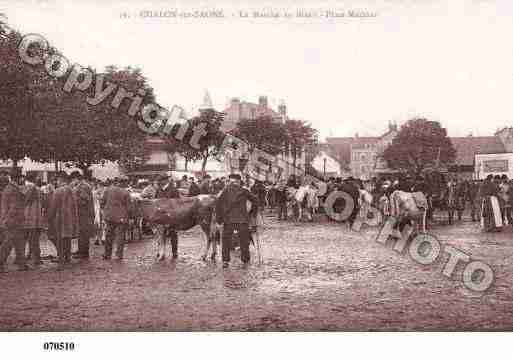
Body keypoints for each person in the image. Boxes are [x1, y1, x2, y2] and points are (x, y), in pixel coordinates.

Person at [216, 173, 259, 268]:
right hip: (242, 220)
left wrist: (219, 219)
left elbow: (218, 204)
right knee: (244, 241)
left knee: (226, 241)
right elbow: (256, 200)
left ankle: (225, 261)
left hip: (228, 220)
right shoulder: (244, 191)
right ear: (239, 181)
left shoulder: (225, 191)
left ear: (230, 181)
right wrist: (252, 213)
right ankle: (245, 260)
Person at [46, 172, 79, 267]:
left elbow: (53, 207)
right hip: (70, 217)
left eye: (57, 180)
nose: (56, 182)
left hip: (60, 217)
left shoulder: (58, 191)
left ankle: (61, 257)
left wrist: (49, 218)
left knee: (59, 237)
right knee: (67, 238)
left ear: (61, 179)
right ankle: (67, 256)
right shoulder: (72, 190)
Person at [0, 170, 28, 272]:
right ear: (17, 178)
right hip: (13, 220)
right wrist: (7, 219)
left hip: (11, 219)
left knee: (18, 241)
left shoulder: (10, 188)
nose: (22, 179)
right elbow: (14, 207)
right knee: (9, 242)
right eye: (21, 177)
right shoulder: (13, 190)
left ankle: (22, 264)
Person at [101, 178, 131, 260]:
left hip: (109, 216)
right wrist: (130, 216)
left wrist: (106, 211)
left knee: (108, 235)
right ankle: (118, 254)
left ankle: (107, 254)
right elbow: (129, 207)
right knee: (120, 236)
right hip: (121, 217)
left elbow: (102, 202)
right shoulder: (126, 192)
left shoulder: (107, 190)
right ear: (124, 183)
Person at [70, 172, 95, 259]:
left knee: (83, 232)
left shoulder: (83, 186)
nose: (73, 181)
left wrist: (74, 199)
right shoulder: (81, 186)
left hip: (84, 213)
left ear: (76, 178)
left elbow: (85, 200)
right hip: (82, 213)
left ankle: (83, 252)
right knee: (81, 232)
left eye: (73, 179)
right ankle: (81, 250)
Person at [24, 172, 45, 265]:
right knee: (34, 238)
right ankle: (35, 257)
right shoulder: (38, 189)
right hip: (36, 217)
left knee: (29, 238)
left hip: (27, 216)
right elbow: (43, 202)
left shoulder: (26, 188)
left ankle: (31, 255)